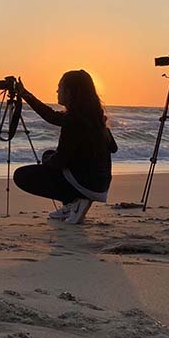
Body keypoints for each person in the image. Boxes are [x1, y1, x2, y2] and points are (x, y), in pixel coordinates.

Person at [13, 70, 117, 224]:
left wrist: (47, 160)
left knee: (21, 175)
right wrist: (26, 94)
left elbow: (60, 162)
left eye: (59, 87)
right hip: (100, 184)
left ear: (69, 92)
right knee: (50, 155)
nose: (57, 91)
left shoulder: (73, 120)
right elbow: (52, 116)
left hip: (85, 185)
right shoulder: (95, 118)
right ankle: (74, 204)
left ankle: (73, 202)